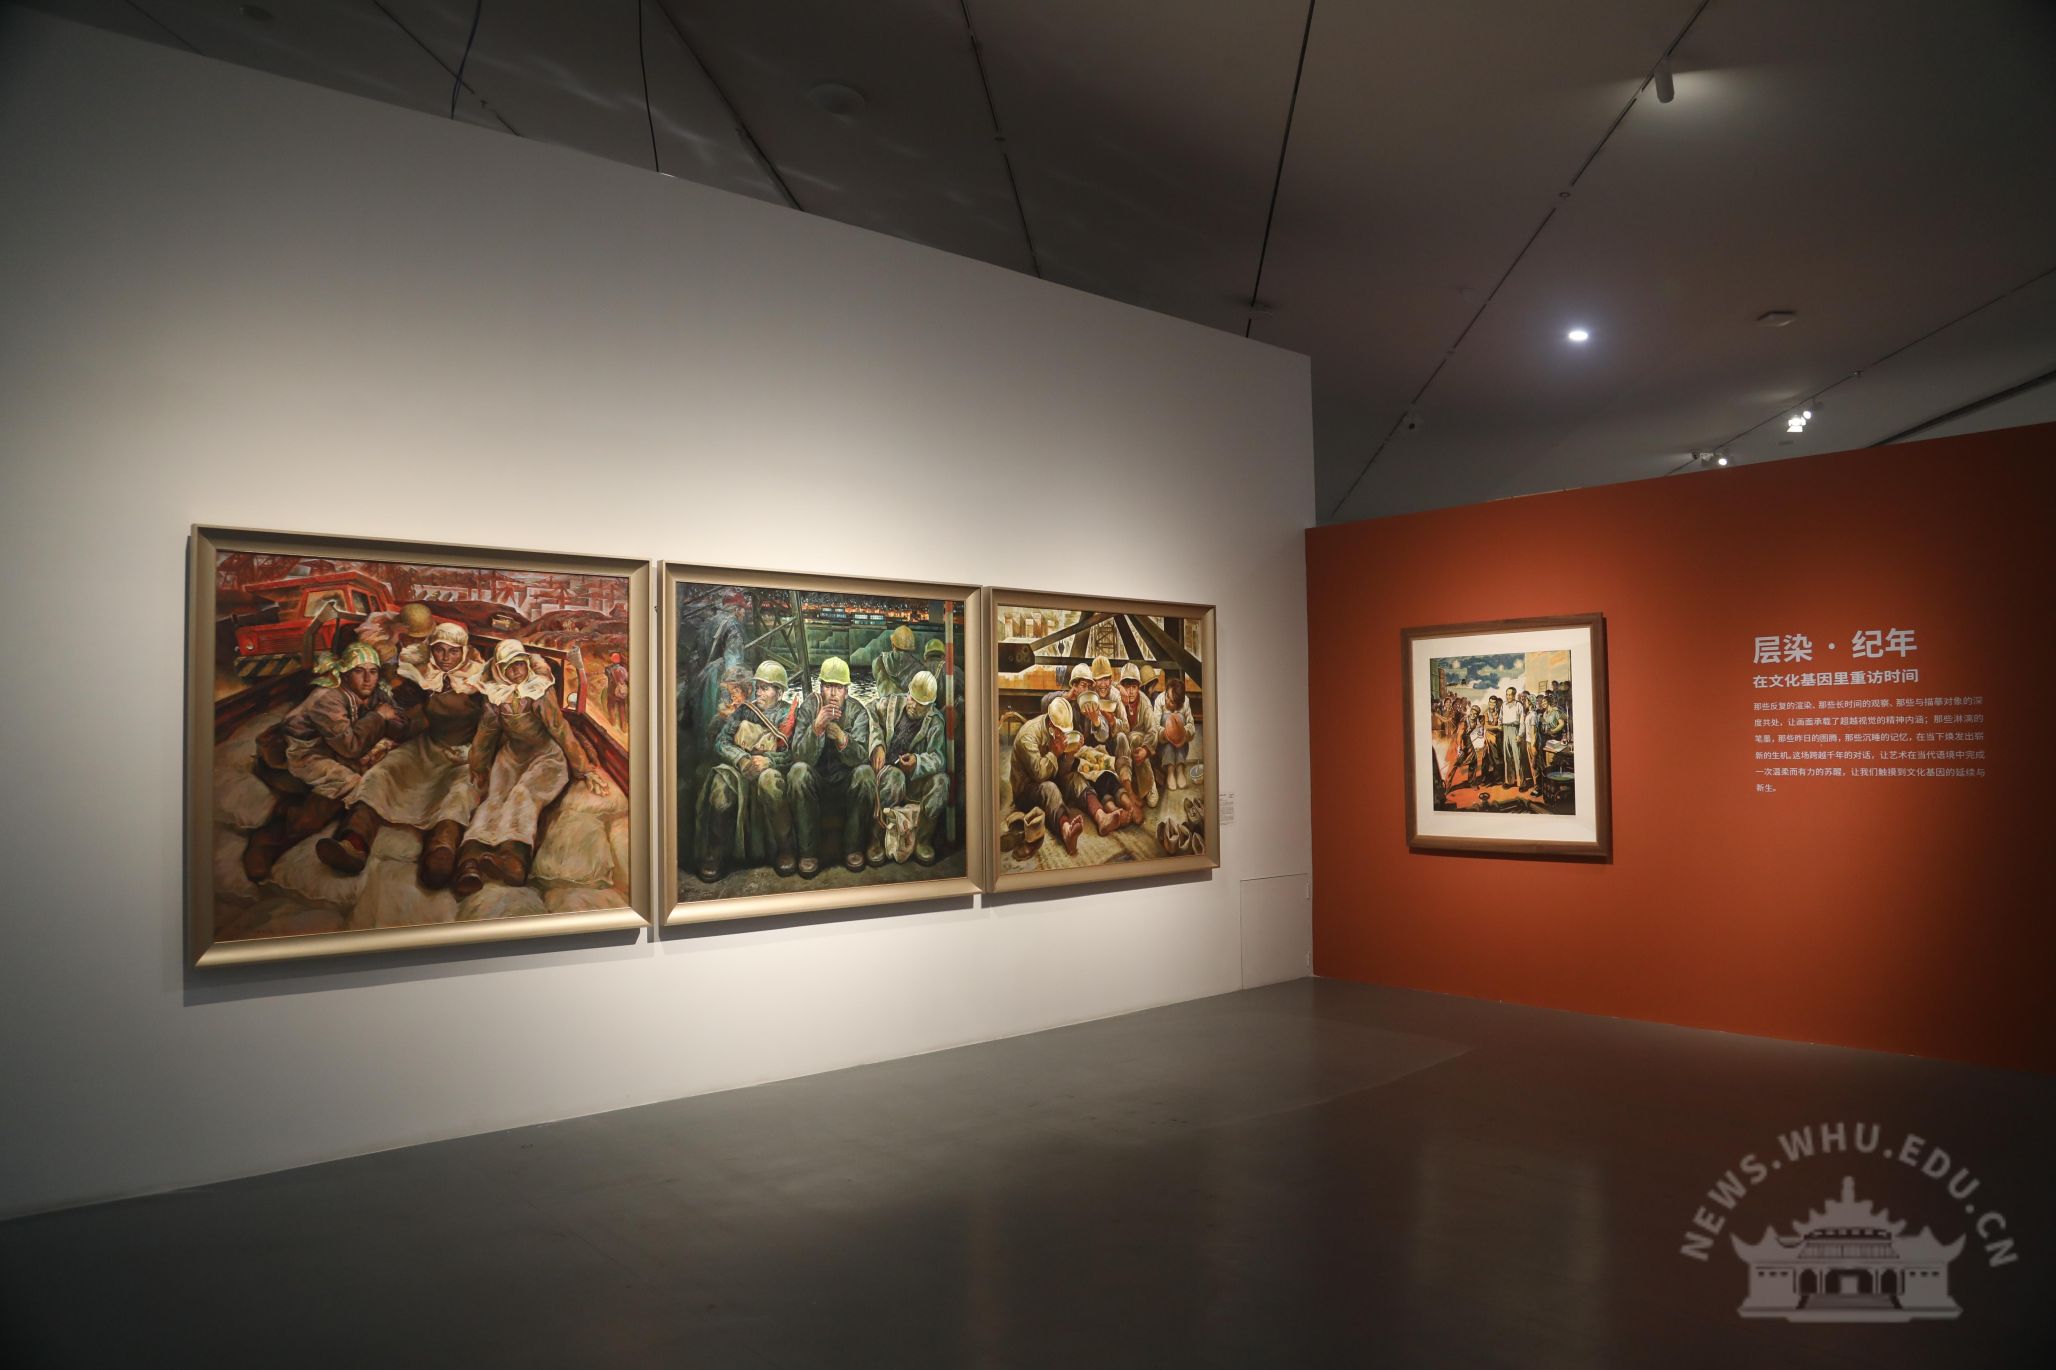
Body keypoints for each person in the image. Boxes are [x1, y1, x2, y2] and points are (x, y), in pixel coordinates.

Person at [316, 622, 485, 885]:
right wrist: (396, 721)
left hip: (463, 752)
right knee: (383, 773)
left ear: (463, 652)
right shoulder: (421, 676)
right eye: (439, 650)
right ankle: (353, 843)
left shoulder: (481, 682)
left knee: (459, 791)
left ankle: (440, 854)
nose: (445, 657)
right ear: (431, 650)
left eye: (453, 651)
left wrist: (481, 758)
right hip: (426, 745)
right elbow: (405, 714)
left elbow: (491, 727)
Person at [454, 640, 608, 897]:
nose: (516, 671)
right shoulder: (495, 696)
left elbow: (560, 729)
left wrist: (584, 768)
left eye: (520, 664)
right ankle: (469, 862)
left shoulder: (539, 691)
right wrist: (478, 765)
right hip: (512, 757)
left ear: (527, 664)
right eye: (509, 666)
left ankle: (514, 859)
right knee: (493, 801)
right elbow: (486, 733)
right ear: (499, 669)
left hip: (546, 757)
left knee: (522, 795)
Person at [242, 641, 405, 880]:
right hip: (302, 752)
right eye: (359, 671)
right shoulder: (327, 698)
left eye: (373, 671)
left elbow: (398, 719)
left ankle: (349, 845)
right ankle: (268, 840)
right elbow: (350, 746)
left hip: (332, 748)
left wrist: (389, 722)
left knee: (378, 777)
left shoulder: (373, 691)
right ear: (345, 674)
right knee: (351, 784)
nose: (367, 679)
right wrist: (379, 717)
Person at [700, 660, 797, 881]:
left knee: (771, 783)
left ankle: (785, 849)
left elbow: (794, 753)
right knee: (721, 785)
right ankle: (715, 852)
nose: (759, 692)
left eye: (766, 688)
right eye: (758, 687)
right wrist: (742, 759)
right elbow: (722, 742)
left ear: (779, 692)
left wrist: (768, 761)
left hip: (769, 769)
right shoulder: (744, 711)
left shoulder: (790, 714)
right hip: (740, 768)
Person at [790, 656, 878, 873]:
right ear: (821, 688)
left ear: (846, 691)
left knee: (865, 774)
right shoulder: (809, 708)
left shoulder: (857, 711)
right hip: (817, 782)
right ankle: (808, 852)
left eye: (838, 687)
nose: (833, 693)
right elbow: (798, 756)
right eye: (828, 686)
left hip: (846, 783)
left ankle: (853, 848)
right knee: (798, 773)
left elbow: (861, 757)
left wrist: (842, 739)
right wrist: (816, 728)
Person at [874, 670, 949, 865]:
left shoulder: (935, 722)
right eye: (912, 699)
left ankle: (923, 840)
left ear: (930, 705)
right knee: (895, 778)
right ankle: (877, 838)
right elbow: (869, 713)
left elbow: (939, 758)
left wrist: (918, 761)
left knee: (942, 782)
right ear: (908, 693)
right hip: (889, 775)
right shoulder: (890, 704)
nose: (914, 706)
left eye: (921, 704)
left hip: (916, 783)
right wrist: (878, 745)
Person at [1008, 696, 1084, 856]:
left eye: (1066, 732)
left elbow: (1062, 773)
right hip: (1026, 790)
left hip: (1049, 779)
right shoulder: (1028, 736)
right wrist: (1054, 753)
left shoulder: (1058, 734)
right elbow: (1040, 775)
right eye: (1061, 731)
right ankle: (1066, 831)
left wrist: (1070, 755)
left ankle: (1101, 815)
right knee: (1050, 788)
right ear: (1051, 725)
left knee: (1076, 778)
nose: (1064, 736)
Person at [1113, 662, 1161, 808]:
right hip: (1119, 740)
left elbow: (1153, 730)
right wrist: (1117, 686)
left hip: (1137, 742)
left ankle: (1149, 785)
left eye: (1134, 687)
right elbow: (1104, 686)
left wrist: (1146, 750)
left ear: (1138, 687)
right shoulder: (1117, 697)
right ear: (1122, 686)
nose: (1131, 691)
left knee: (1135, 739)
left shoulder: (1144, 702)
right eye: (1127, 687)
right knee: (1122, 738)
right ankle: (1125, 790)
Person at [1158, 673, 1196, 791]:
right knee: (1166, 718)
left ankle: (1179, 768)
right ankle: (1170, 770)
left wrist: (1183, 733)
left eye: (1172, 701)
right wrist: (1166, 733)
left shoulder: (1186, 702)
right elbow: (1154, 726)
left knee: (1180, 718)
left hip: (1181, 742)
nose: (1167, 700)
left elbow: (1191, 725)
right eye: (1167, 696)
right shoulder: (1159, 700)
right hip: (1164, 743)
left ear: (1179, 703)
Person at [1499, 685, 1527, 791]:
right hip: (1506, 730)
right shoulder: (1503, 705)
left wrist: (1520, 735)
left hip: (1515, 730)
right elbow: (1500, 717)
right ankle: (1509, 781)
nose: (1508, 696)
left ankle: (1521, 783)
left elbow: (1522, 721)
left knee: (1517, 757)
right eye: (1507, 694)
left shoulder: (1519, 705)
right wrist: (1500, 725)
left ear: (1514, 695)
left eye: (1510, 695)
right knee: (1507, 757)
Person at [1519, 689, 1541, 795]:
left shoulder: (1533, 715)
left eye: (1527, 701)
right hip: (1528, 741)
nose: (1525, 703)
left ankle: (1538, 788)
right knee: (1532, 765)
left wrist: (1533, 746)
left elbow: (1534, 732)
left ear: (1530, 703)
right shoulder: (1529, 714)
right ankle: (1536, 785)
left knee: (1534, 766)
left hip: (1532, 742)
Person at [605, 652, 630, 730]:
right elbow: (626, 679)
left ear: (612, 659)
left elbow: (607, 675)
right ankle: (624, 726)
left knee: (610, 705)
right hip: (622, 692)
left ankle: (613, 721)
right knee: (622, 708)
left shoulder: (608, 668)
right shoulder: (623, 669)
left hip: (612, 691)